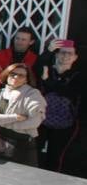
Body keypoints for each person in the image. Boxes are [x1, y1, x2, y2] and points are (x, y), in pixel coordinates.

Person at [0, 64, 46, 166]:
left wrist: (2, 121)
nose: (16, 77)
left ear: (26, 79)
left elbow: (35, 122)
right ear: (6, 75)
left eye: (21, 75)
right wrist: (16, 117)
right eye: (13, 74)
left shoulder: (33, 96)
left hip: (22, 145)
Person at [38, 39, 82, 175]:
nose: (66, 56)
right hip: (41, 119)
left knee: (56, 155)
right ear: (56, 55)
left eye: (70, 54)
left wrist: (48, 82)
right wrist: (48, 51)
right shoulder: (47, 70)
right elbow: (36, 66)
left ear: (75, 58)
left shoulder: (78, 76)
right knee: (35, 151)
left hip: (65, 123)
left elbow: (69, 92)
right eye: (62, 52)